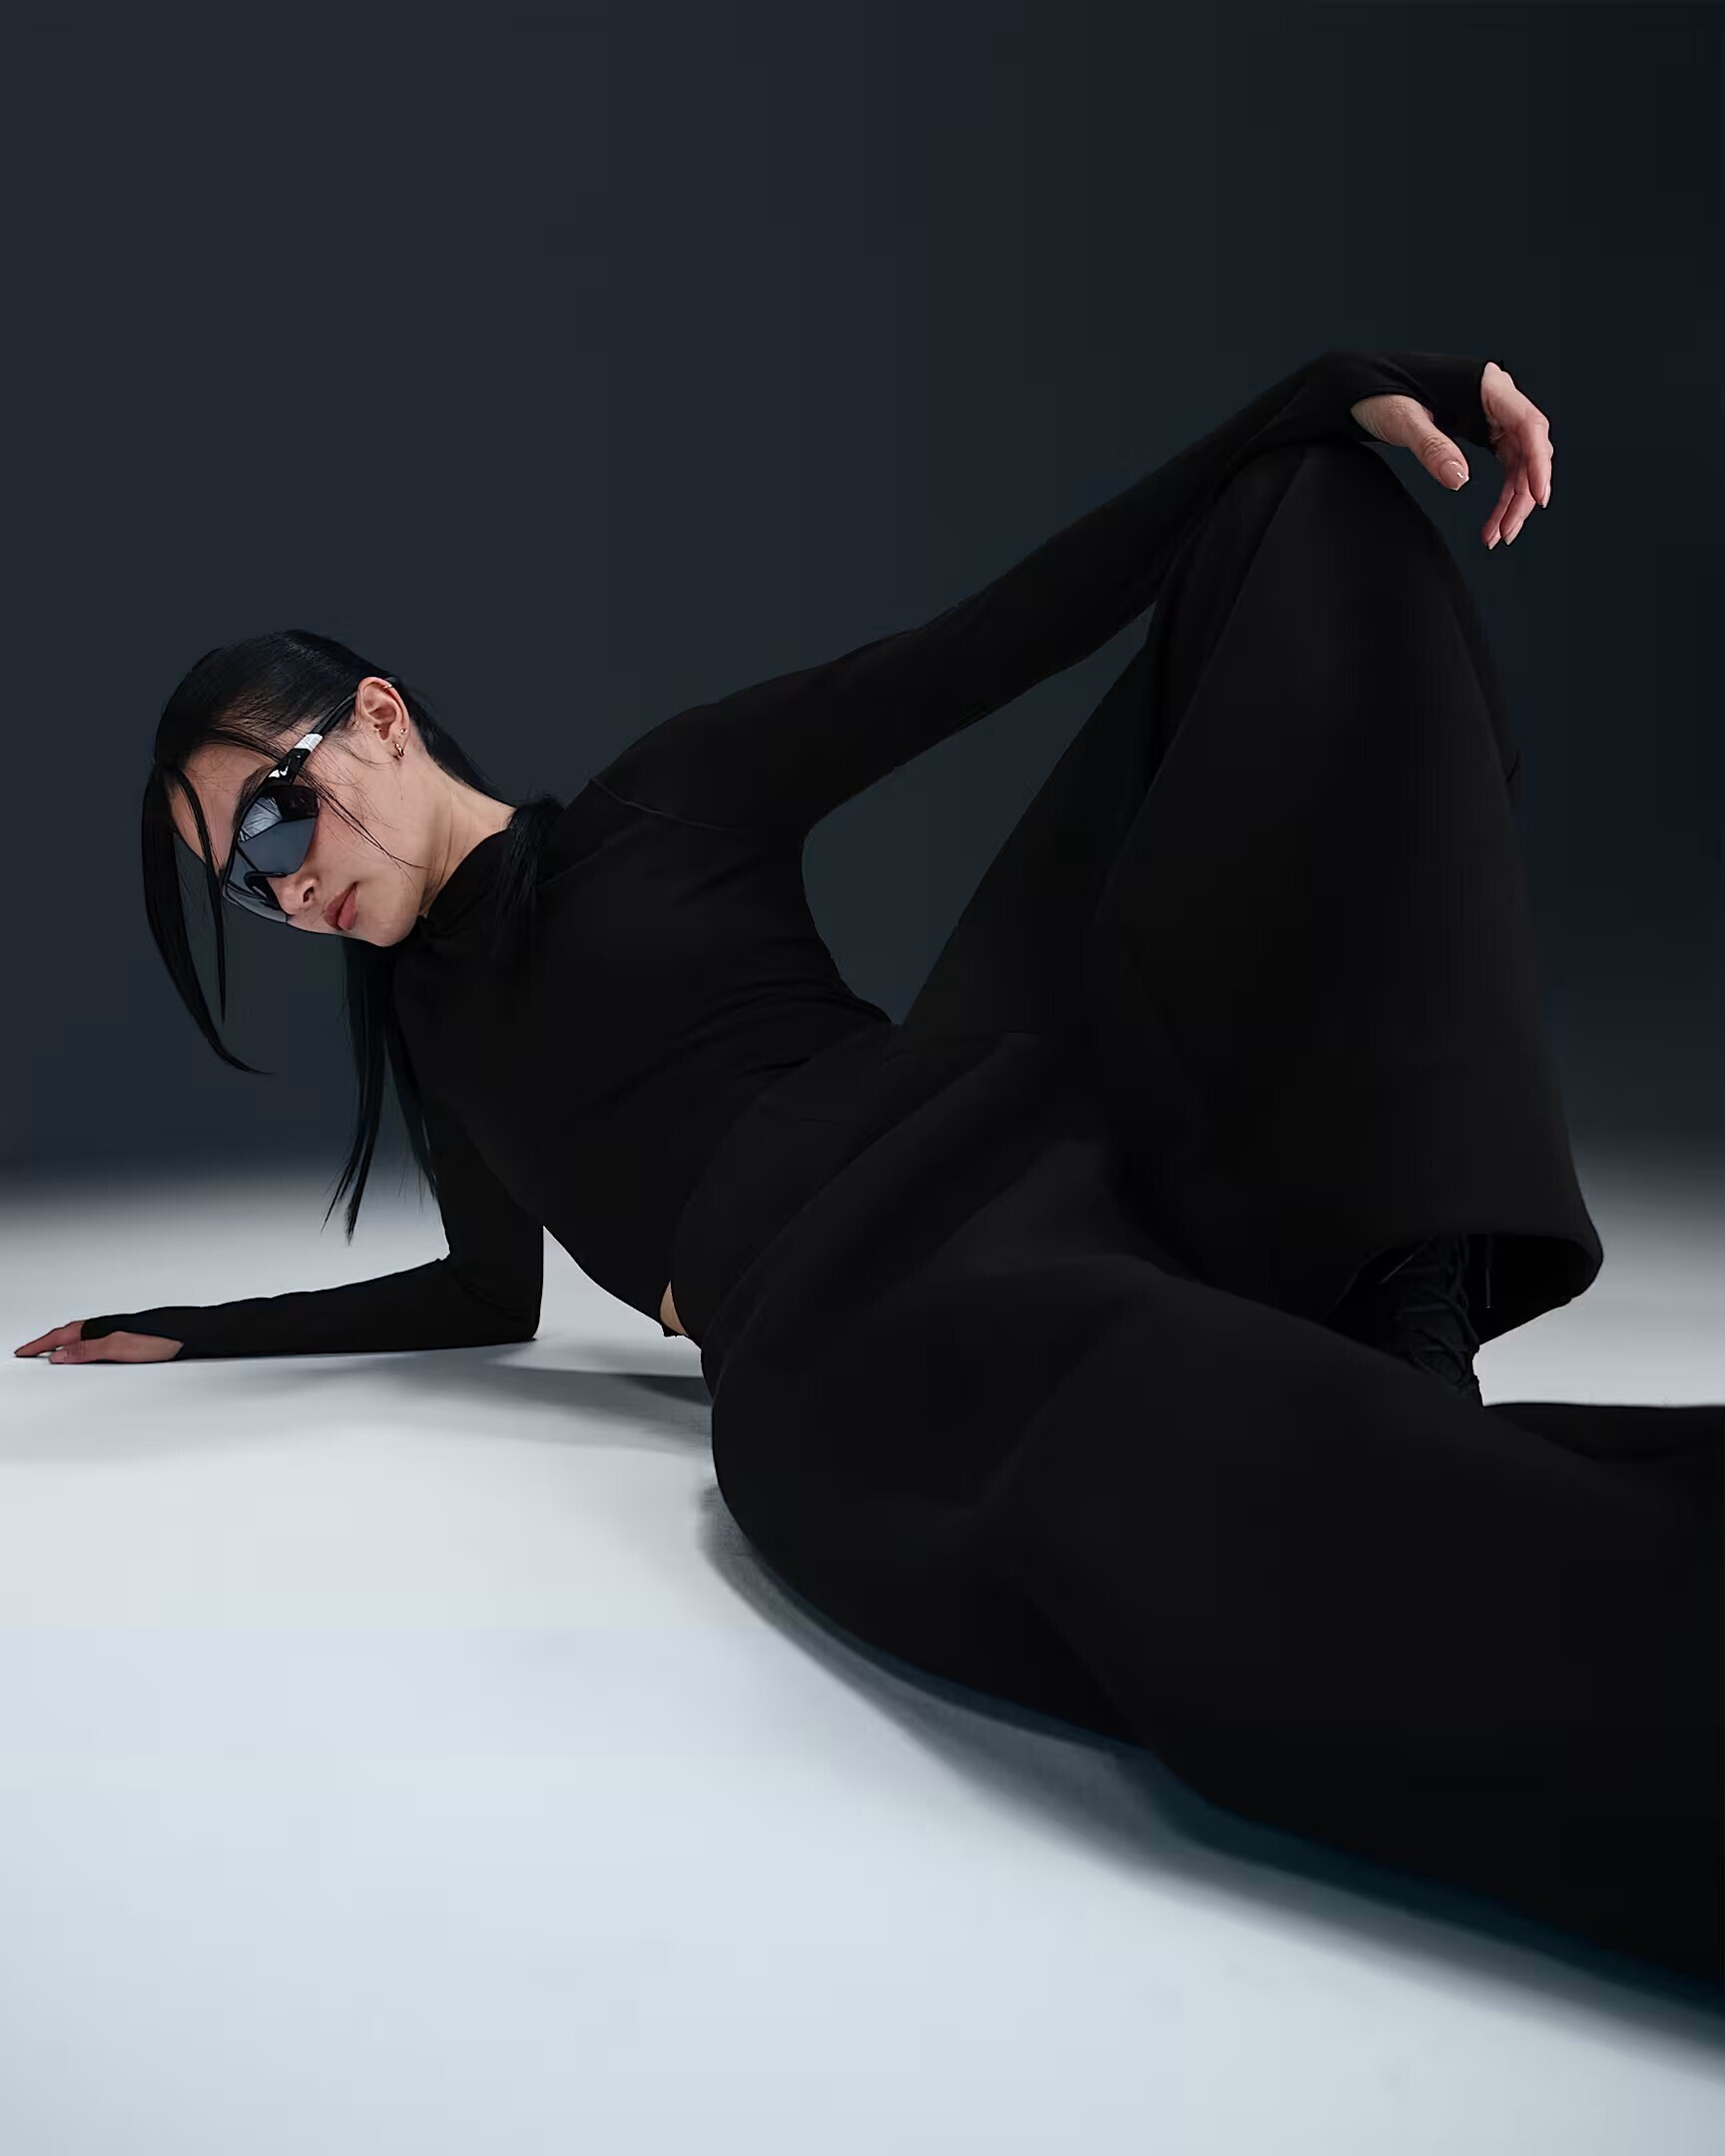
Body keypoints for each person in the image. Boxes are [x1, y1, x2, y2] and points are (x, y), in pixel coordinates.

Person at [15, 349, 1722, 1993]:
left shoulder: (670, 804)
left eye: (274, 822)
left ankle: (1422, 1324)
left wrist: (1318, 387)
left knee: (1299, 519)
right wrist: (202, 1329)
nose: (282, 892)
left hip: (988, 1148)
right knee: (1171, 1547)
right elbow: (485, 1294)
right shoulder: (433, 1029)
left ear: (378, 721)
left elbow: (1002, 634)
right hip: (820, 1331)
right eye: (241, 885)